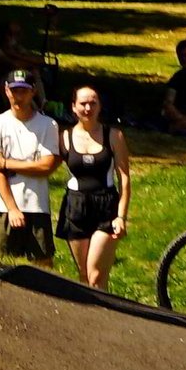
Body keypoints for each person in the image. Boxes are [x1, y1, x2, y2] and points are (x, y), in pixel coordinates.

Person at [0, 70, 61, 269]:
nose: (19, 95)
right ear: (6, 91)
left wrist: (7, 163)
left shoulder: (47, 124)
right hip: (3, 206)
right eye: (14, 90)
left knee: (43, 263)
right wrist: (12, 208)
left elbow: (46, 165)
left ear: (33, 91)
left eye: (24, 90)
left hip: (36, 204)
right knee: (0, 264)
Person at [54, 85, 132, 290]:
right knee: (83, 276)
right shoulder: (64, 137)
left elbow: (124, 179)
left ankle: (106, 315)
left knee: (96, 276)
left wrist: (121, 217)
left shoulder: (114, 136)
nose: (88, 108)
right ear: (73, 107)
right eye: (83, 103)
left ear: (99, 106)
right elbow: (46, 164)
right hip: (75, 206)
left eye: (93, 103)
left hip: (106, 206)